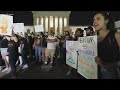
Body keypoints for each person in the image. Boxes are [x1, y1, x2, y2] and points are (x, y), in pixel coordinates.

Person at [93, 11, 120, 79]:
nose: (94, 21)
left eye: (98, 19)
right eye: (94, 19)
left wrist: (105, 65)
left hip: (111, 73)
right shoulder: (94, 38)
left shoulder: (116, 35)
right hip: (94, 72)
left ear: (106, 21)